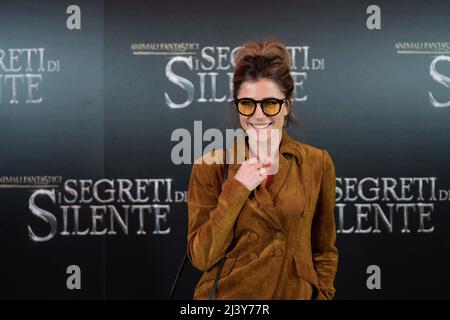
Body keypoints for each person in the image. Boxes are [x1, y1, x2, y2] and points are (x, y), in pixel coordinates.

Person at [187, 37, 338, 300]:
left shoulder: (317, 163)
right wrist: (237, 188)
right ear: (237, 105)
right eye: (247, 104)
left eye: (270, 103)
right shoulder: (209, 166)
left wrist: (322, 295)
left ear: (287, 105)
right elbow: (201, 257)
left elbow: (324, 249)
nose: (258, 115)